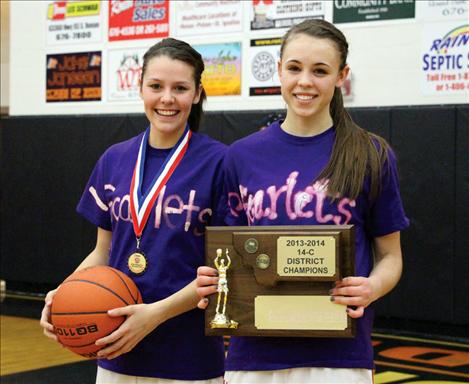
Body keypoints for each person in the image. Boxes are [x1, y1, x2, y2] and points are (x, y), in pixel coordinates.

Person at [196, 19, 409, 384]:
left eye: (320, 70)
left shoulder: (369, 154)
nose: (305, 81)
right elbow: (226, 256)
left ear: (341, 75)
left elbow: (391, 257)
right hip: (255, 354)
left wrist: (371, 287)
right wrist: (212, 280)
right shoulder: (241, 156)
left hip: (340, 357)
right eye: (294, 68)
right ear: (278, 70)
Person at [40, 38, 226, 383]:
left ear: (197, 94)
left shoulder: (220, 162)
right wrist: (63, 294)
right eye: (156, 86)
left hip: (189, 356)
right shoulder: (115, 159)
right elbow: (103, 252)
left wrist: (153, 315)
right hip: (115, 351)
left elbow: (220, 269)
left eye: (180, 88)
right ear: (140, 87)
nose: (167, 98)